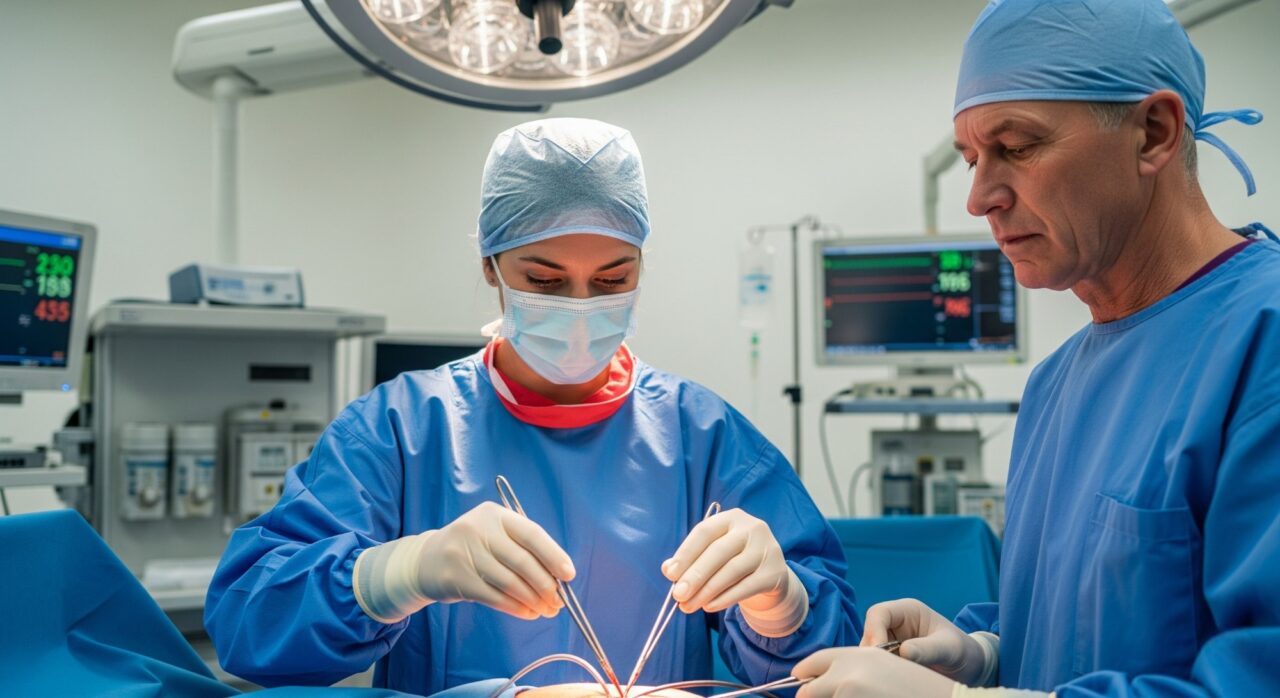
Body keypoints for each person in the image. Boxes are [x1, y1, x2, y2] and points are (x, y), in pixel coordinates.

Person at [205, 117, 859, 696]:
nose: (579, 306)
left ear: (641, 267)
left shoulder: (704, 436)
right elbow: (247, 624)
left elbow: (833, 671)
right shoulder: (400, 429)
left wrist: (783, 604)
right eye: (543, 280)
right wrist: (397, 571)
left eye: (613, 279)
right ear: (490, 266)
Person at [793, 1, 1279, 696]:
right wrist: (985, 654)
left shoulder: (1262, 348)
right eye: (969, 158)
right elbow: (1087, 623)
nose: (980, 196)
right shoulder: (1057, 383)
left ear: (1153, 132)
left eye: (1016, 147)